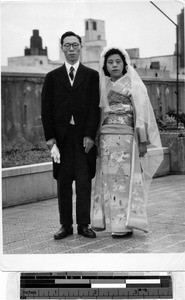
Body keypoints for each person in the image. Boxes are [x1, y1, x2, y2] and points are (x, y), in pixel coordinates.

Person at [91, 47, 163, 238]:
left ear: (124, 64)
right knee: (109, 182)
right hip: (107, 139)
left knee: (124, 181)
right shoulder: (102, 86)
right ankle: (111, 223)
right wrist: (97, 138)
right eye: (110, 62)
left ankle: (125, 225)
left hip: (126, 138)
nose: (114, 65)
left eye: (118, 61)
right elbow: (98, 115)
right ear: (105, 66)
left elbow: (141, 115)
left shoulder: (134, 85)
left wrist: (142, 141)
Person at [41, 31, 100, 239]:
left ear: (81, 47)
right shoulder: (52, 77)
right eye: (67, 46)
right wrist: (50, 139)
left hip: (83, 138)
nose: (72, 50)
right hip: (62, 139)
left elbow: (95, 108)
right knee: (63, 181)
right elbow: (46, 109)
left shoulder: (92, 76)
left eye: (75, 45)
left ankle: (84, 224)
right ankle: (65, 225)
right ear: (62, 48)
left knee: (84, 181)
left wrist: (90, 135)